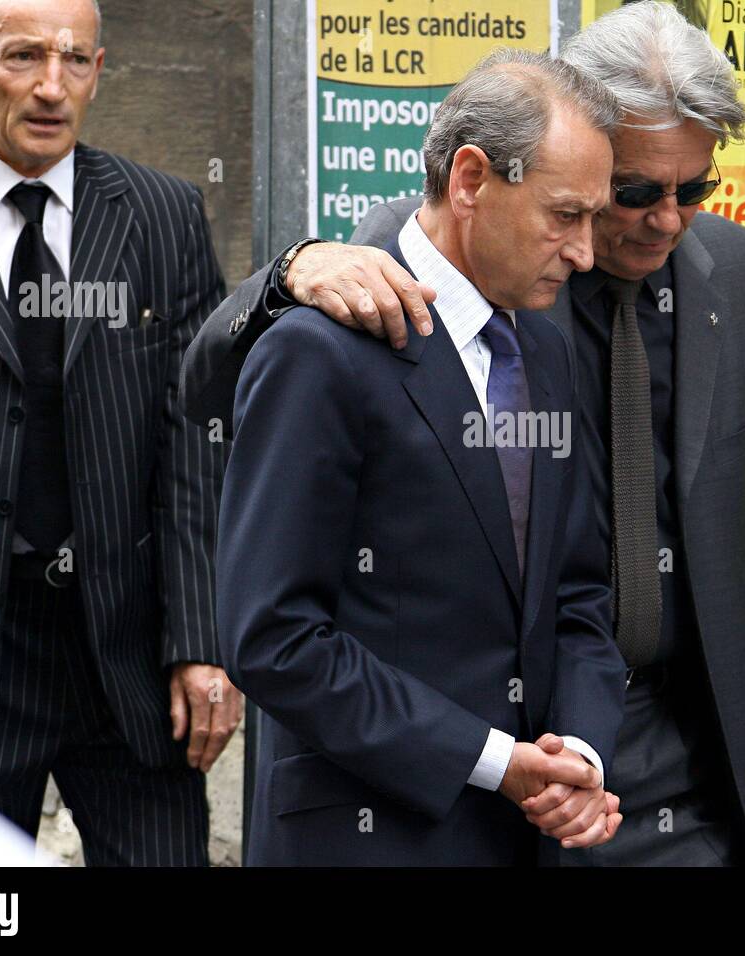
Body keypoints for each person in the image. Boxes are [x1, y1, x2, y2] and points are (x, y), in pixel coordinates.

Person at [182, 1, 745, 867]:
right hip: (459, 779)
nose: (666, 219)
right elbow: (224, 388)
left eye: (697, 189)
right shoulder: (427, 267)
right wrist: (286, 272)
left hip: (666, 754)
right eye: (636, 192)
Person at [216, 49, 628, 866]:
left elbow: (576, 588)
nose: (586, 253)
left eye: (595, 220)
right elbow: (274, 639)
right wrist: (492, 761)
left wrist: (578, 753)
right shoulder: (320, 351)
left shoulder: (545, 348)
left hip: (525, 841)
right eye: (564, 216)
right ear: (471, 180)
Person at [0, 0, 239, 865]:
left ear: (100, 72)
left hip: (125, 663)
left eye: (75, 61)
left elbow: (195, 442)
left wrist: (201, 644)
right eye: (24, 56)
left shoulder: (162, 216)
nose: (50, 86)